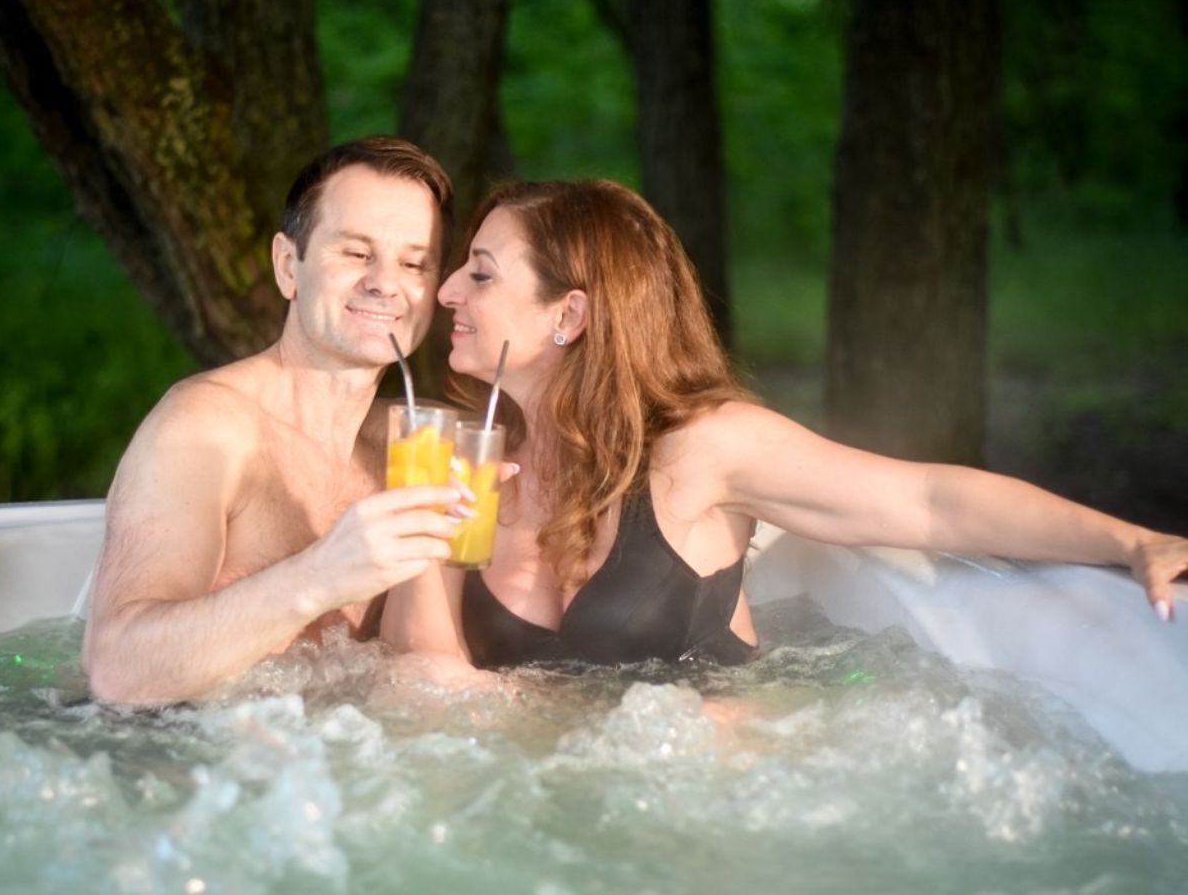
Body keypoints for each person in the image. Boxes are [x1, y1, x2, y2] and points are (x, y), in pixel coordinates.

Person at [382, 179, 1188, 670]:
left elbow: (929, 505)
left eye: (479, 274)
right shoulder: (466, 463)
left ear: (570, 315)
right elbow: (424, 688)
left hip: (716, 808)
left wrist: (1129, 541)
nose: (447, 293)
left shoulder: (701, 452)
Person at [83, 137, 467, 703]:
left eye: (413, 263)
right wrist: (320, 575)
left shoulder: (425, 440)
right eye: (357, 253)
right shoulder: (207, 429)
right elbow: (117, 671)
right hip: (187, 767)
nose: (385, 282)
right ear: (289, 266)